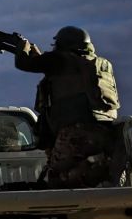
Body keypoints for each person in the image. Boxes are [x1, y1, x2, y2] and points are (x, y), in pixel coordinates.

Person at [14, 26, 120, 188]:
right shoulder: (100, 64)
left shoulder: (60, 59)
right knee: (88, 175)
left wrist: (22, 46)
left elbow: (24, 63)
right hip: (104, 131)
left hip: (74, 133)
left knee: (56, 181)